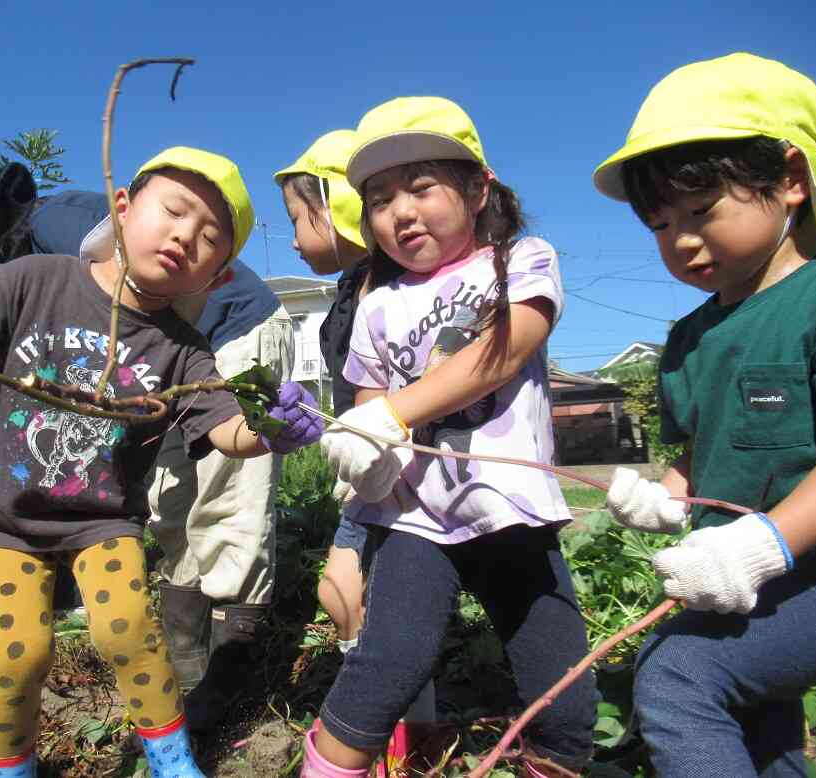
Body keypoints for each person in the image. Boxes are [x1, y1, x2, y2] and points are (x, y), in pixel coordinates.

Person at [0, 146, 323, 778]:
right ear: (123, 208)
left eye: (211, 238)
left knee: (129, 630)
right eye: (175, 211)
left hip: (102, 521)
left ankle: (174, 764)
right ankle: (10, 769)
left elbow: (226, 431)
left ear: (215, 278)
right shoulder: (33, 281)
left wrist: (270, 428)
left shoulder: (182, 351)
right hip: (6, 523)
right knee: (19, 658)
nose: (186, 235)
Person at [594, 52, 816, 777]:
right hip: (739, 577)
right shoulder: (688, 339)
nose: (682, 240)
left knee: (678, 677)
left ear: (787, 181)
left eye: (700, 211)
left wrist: (758, 546)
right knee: (761, 736)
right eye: (660, 224)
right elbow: (697, 457)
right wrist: (664, 500)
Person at [307, 97, 597, 777]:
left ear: (477, 189)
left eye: (421, 187)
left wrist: (391, 416)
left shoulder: (518, 258)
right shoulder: (375, 304)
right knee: (383, 666)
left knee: (563, 697)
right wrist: (367, 454)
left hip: (511, 509)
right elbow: (369, 398)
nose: (400, 211)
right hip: (413, 520)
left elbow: (507, 344)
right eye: (379, 199)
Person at [30, 188, 295, 730]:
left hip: (233, 335)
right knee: (170, 502)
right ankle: (188, 658)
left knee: (227, 500)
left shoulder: (50, 228)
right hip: (169, 357)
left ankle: (230, 670)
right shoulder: (49, 231)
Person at [274, 129, 436, 766]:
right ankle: (389, 717)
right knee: (342, 592)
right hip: (369, 472)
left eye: (297, 218)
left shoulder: (403, 288)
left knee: (378, 602)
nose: (291, 238)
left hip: (410, 472)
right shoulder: (349, 293)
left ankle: (403, 729)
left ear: (334, 203)